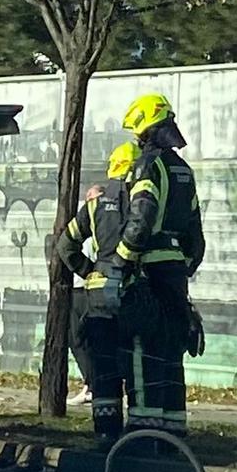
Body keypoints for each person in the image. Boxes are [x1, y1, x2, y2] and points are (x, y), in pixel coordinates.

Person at [112, 93, 206, 436]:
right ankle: (172, 433)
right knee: (171, 353)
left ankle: (143, 435)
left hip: (147, 273)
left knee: (143, 350)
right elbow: (196, 237)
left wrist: (120, 265)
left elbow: (140, 219)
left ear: (145, 129)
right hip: (175, 275)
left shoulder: (148, 166)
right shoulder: (184, 169)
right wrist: (182, 267)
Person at [55, 141, 141, 447]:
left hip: (99, 298)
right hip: (134, 295)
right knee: (136, 364)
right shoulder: (145, 204)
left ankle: (106, 431)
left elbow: (65, 246)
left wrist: (90, 271)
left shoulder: (95, 207)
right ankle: (141, 431)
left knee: (103, 367)